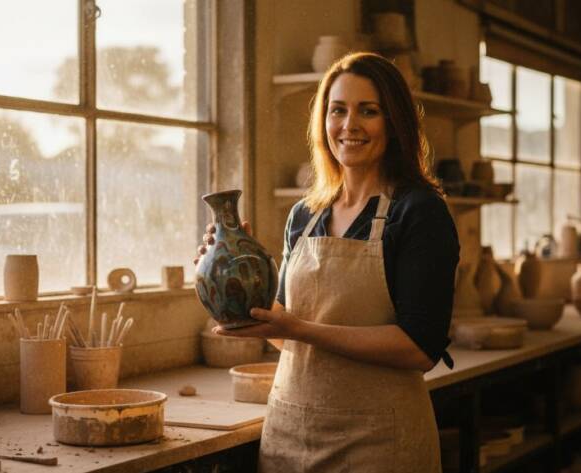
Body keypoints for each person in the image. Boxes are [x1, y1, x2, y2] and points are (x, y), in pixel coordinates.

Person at [196, 52, 458, 472]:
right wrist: (239, 272)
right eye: (338, 110)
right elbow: (283, 333)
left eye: (368, 111)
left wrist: (298, 328)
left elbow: (419, 348)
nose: (349, 126)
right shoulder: (305, 214)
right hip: (289, 436)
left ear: (394, 121)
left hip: (379, 443)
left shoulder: (419, 211)